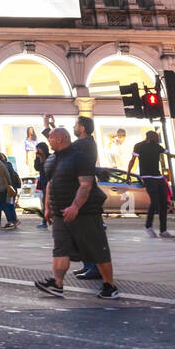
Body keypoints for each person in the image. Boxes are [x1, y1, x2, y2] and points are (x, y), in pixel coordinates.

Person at [35, 127, 118, 299]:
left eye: (50, 138)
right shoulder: (51, 159)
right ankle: (57, 283)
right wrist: (49, 207)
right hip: (60, 213)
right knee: (60, 249)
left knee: (96, 249)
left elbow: (86, 185)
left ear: (60, 139)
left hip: (85, 213)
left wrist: (75, 207)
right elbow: (51, 183)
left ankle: (109, 285)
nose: (48, 141)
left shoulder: (79, 157)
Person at [64, 117, 105, 282]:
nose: (74, 127)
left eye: (75, 125)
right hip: (81, 191)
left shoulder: (84, 144)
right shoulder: (85, 143)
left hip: (85, 193)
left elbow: (64, 151)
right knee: (82, 231)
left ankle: (95, 267)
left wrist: (50, 131)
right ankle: (89, 264)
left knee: (88, 232)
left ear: (82, 128)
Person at [127, 130, 175, 238]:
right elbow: (132, 160)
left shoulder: (157, 146)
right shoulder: (139, 146)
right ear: (150, 137)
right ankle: (148, 226)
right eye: (156, 137)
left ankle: (163, 230)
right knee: (154, 201)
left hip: (158, 177)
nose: (158, 139)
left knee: (163, 203)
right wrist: (128, 174)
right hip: (147, 177)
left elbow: (168, 154)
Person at [0, 151, 21, 228]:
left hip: (8, 188)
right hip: (11, 188)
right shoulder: (8, 164)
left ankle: (13, 221)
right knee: (8, 205)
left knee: (7, 205)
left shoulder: (2, 165)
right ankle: (12, 221)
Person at [33, 142, 51, 229]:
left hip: (50, 180)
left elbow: (47, 167)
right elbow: (37, 168)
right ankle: (44, 221)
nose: (38, 151)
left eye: (39, 149)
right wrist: (39, 158)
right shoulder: (38, 158)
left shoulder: (50, 156)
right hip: (44, 181)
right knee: (45, 201)